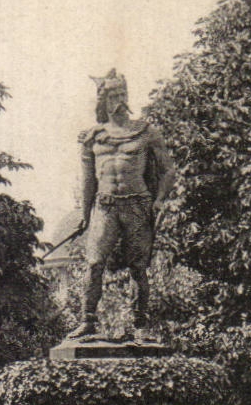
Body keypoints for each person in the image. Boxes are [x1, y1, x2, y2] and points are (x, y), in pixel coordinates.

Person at [66, 70, 176, 344]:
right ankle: (87, 322)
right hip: (105, 206)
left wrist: (160, 199)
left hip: (137, 205)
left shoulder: (146, 132)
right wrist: (84, 214)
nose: (119, 100)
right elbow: (89, 179)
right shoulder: (92, 138)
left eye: (122, 94)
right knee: (94, 263)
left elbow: (168, 171)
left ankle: (140, 326)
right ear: (102, 100)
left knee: (138, 267)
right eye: (112, 95)